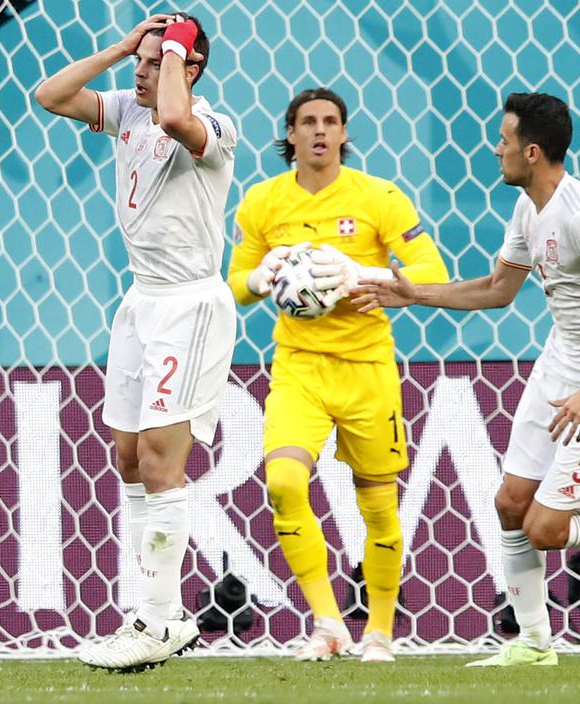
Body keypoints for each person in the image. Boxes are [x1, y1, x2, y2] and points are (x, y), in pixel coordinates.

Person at [351, 92, 580, 667]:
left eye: (505, 140)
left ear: (533, 152)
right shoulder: (527, 208)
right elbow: (498, 290)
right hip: (556, 367)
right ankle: (535, 643)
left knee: (544, 528)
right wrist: (413, 294)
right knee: (511, 503)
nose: (496, 149)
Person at [34, 13, 236, 670]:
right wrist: (123, 46)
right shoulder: (126, 111)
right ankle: (161, 612)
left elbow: (178, 120)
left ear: (190, 68)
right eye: (140, 62)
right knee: (127, 458)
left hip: (190, 304)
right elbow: (51, 96)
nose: (140, 73)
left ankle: (156, 621)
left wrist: (173, 51)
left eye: (155, 63)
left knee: (158, 459)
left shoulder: (214, 127)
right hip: (139, 301)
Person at [228, 87, 449, 663]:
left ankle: (378, 631)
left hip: (368, 370)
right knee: (282, 485)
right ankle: (327, 623)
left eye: (331, 121)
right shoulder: (261, 203)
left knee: (378, 506)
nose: (321, 131)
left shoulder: (380, 197)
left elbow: (430, 270)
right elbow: (234, 285)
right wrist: (259, 279)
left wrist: (363, 273)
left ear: (344, 134)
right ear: (291, 135)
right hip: (298, 368)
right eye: (309, 122)